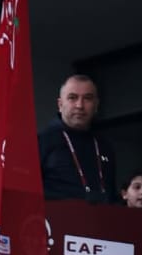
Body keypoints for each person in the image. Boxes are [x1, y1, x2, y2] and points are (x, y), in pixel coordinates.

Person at [39, 74, 117, 203]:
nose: (80, 105)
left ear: (96, 105)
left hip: (101, 214)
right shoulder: (42, 142)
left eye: (87, 98)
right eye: (72, 98)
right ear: (60, 104)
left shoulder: (105, 146)